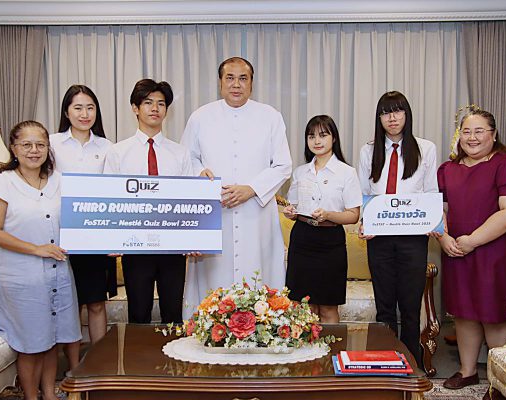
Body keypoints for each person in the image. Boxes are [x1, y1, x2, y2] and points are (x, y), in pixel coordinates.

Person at [180, 56, 292, 315]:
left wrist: (251, 189)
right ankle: (210, 329)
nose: (236, 84)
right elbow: (187, 158)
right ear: (220, 82)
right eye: (230, 78)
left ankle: (263, 328)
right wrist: (199, 172)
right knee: (212, 284)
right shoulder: (200, 117)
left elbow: (283, 165)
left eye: (243, 78)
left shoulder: (270, 116)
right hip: (214, 213)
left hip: (256, 213)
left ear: (252, 83)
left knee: (258, 279)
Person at [0, 120, 81, 400]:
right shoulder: (3, 183)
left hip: (58, 275)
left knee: (51, 340)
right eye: (26, 144)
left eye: (40, 144)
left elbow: (81, 216)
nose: (34, 150)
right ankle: (30, 396)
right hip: (22, 279)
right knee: (31, 345)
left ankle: (49, 394)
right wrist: (36, 249)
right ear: (14, 148)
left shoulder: (59, 180)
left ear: (48, 148)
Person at [437, 109, 506, 391]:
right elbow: (439, 210)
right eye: (466, 131)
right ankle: (467, 371)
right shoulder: (448, 169)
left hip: (495, 253)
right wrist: (444, 238)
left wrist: (473, 240)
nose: (472, 137)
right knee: (464, 312)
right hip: (456, 250)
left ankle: (500, 381)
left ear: (493, 134)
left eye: (479, 131)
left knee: (495, 314)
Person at [357, 91, 438, 365]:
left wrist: (432, 221)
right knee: (385, 308)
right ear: (379, 118)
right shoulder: (368, 151)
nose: (392, 118)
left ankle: (411, 365)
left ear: (407, 114)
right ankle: (386, 363)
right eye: (385, 112)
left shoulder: (426, 148)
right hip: (379, 238)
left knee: (411, 308)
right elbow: (363, 194)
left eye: (397, 111)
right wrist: (364, 223)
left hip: (413, 238)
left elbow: (431, 191)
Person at [103, 78, 193, 324]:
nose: (155, 108)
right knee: (139, 314)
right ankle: (138, 353)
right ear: (135, 108)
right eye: (148, 102)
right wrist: (112, 239)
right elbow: (110, 200)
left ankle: (174, 352)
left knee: (173, 314)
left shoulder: (180, 153)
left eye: (161, 103)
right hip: (135, 246)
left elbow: (188, 200)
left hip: (172, 246)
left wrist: (192, 239)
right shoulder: (118, 152)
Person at [49, 84, 116, 370]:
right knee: (68, 305)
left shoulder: (107, 147)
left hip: (95, 236)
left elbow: (114, 194)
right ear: (66, 112)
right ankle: (72, 366)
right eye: (78, 107)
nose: (84, 114)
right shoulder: (51, 144)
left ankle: (99, 365)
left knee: (96, 302)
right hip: (60, 236)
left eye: (90, 107)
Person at [282, 115, 361, 323]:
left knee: (328, 307)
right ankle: (305, 346)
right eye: (311, 136)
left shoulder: (347, 172)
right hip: (302, 239)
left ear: (333, 138)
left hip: (330, 241)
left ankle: (331, 346)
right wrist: (291, 213)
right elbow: (295, 207)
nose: (317, 141)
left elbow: (354, 215)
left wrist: (328, 214)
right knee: (303, 306)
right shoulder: (300, 172)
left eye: (323, 135)